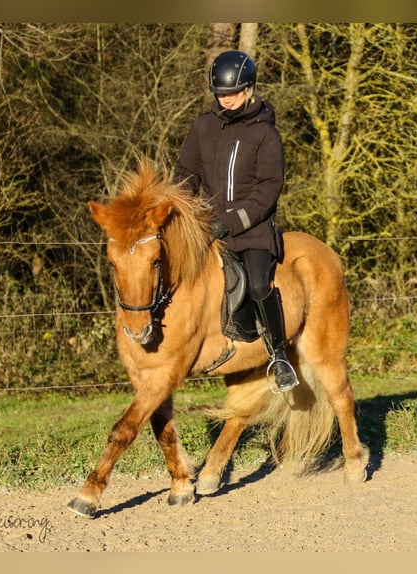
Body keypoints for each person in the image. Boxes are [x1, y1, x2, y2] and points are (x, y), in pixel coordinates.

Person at [173, 49, 299, 393]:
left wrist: (229, 222)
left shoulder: (265, 135)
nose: (226, 100)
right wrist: (180, 210)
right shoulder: (204, 126)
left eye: (233, 92)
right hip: (208, 225)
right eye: (221, 94)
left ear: (249, 89)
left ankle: (279, 356)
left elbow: (268, 190)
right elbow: (187, 172)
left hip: (253, 230)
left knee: (259, 284)